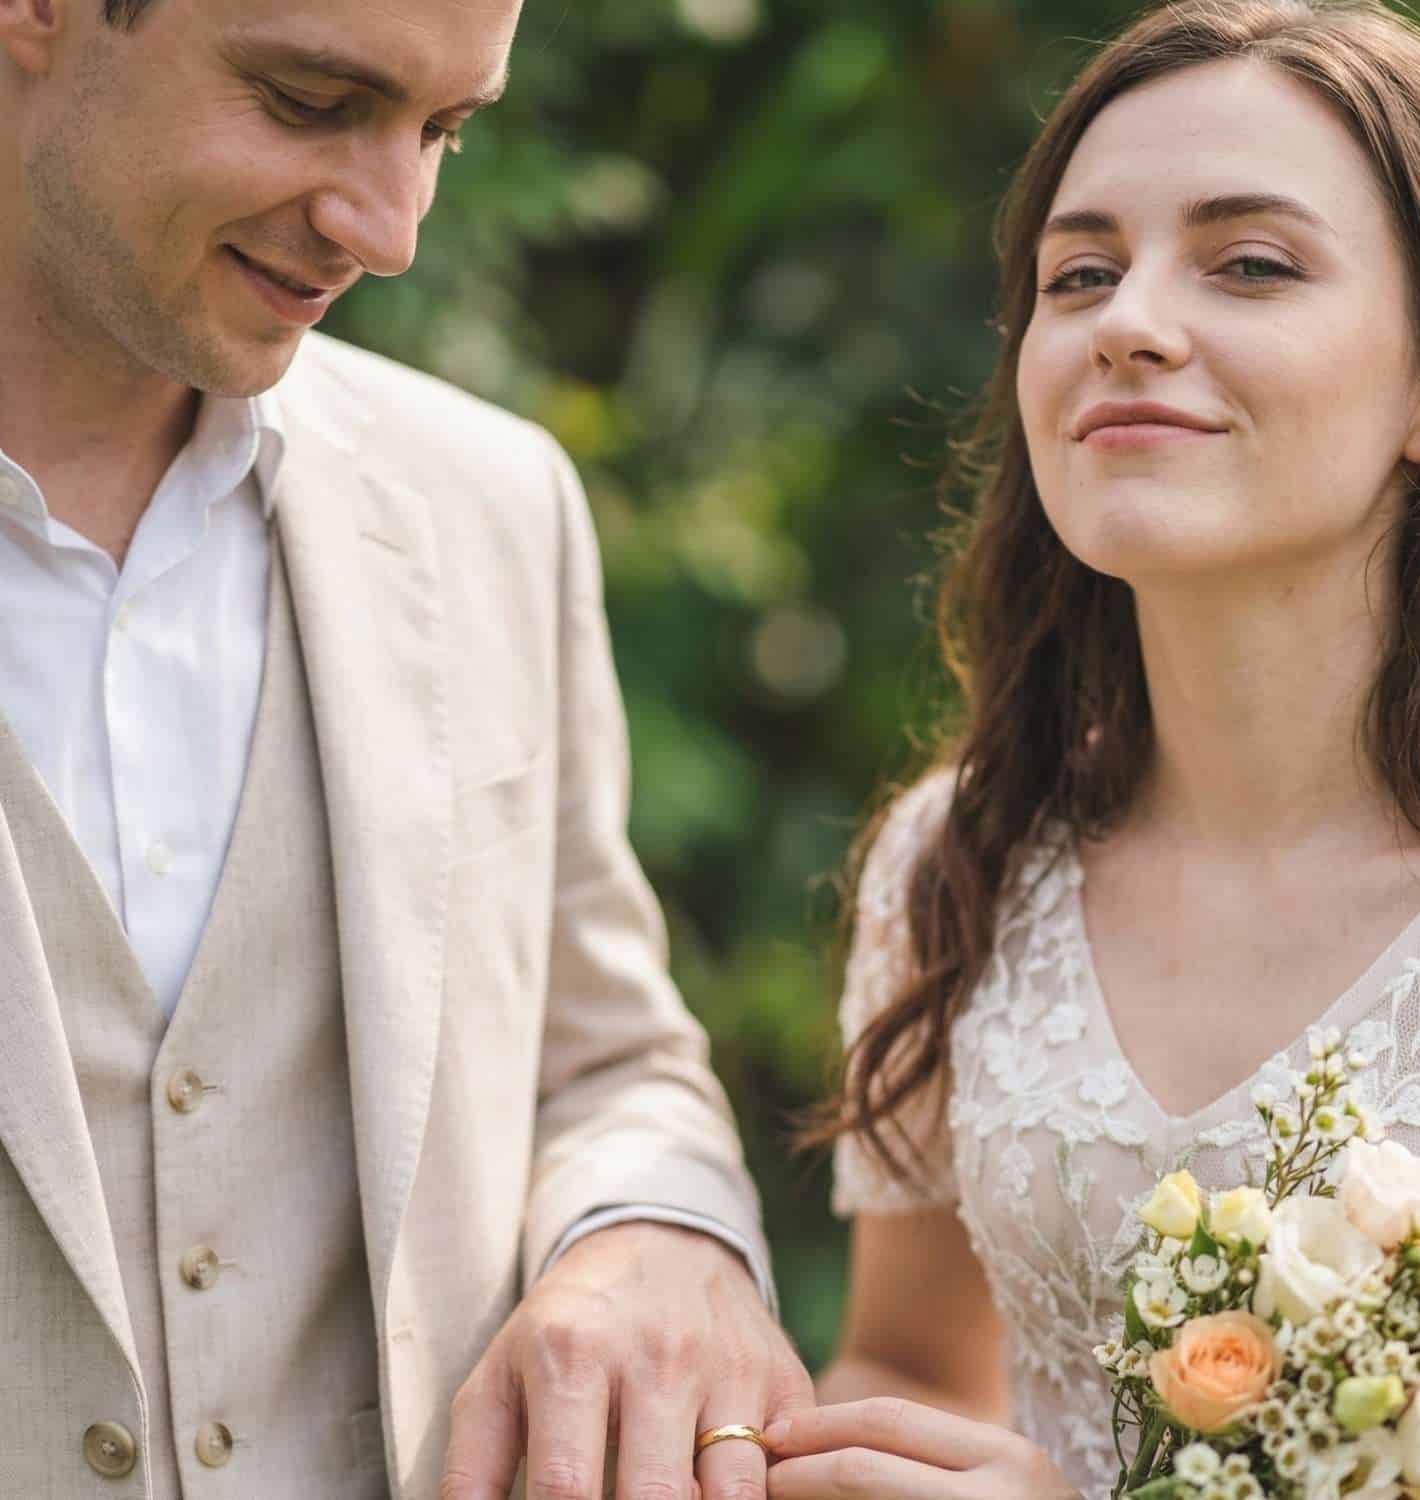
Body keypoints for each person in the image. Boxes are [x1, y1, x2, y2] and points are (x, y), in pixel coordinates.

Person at [0, 0, 812, 1497]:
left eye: (445, 132)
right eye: (312, 100)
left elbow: (608, 1058)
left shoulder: (493, 507)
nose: (389, 231)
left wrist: (646, 1236)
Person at [768, 1, 1420, 1496]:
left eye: (1250, 264)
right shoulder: (957, 860)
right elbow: (909, 1362)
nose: (1128, 322)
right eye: (1079, 273)